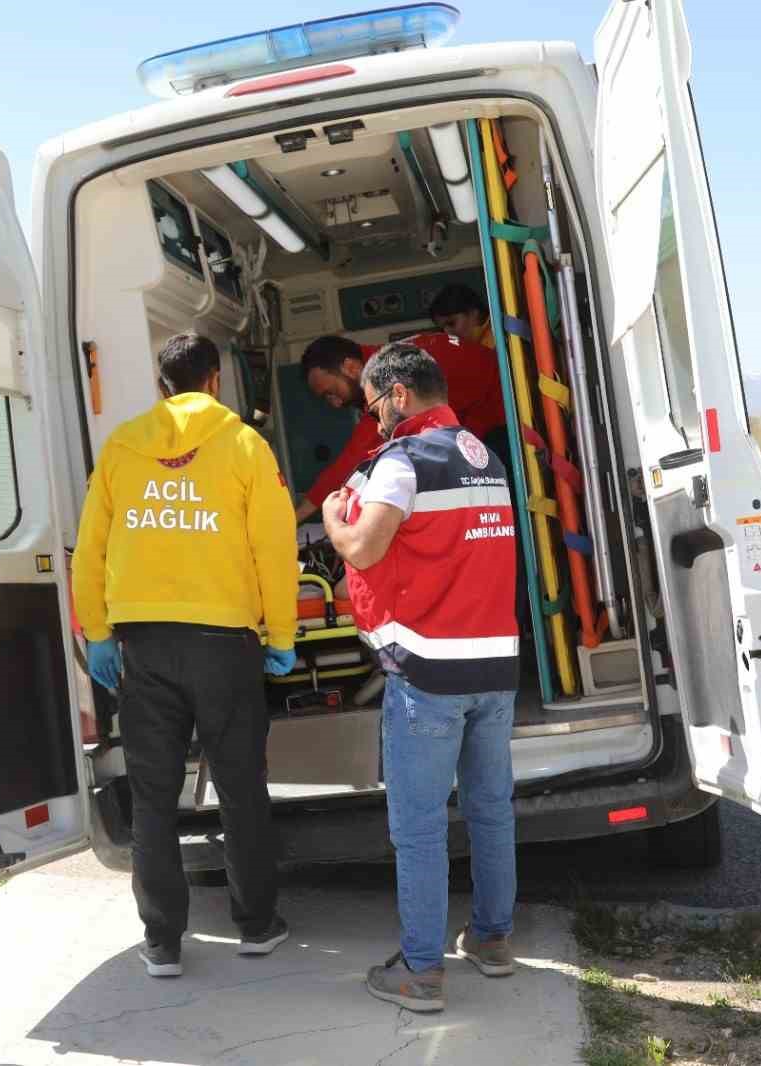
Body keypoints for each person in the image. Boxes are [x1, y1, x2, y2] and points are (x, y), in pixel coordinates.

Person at [72, 332, 299, 979]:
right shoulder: (243, 445)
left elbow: (90, 552)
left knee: (151, 797)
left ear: (161, 382)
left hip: (142, 646)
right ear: (215, 380)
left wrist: (98, 632)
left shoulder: (121, 448)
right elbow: (274, 547)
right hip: (224, 644)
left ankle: (162, 942)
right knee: (239, 790)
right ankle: (256, 926)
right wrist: (279, 635)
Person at [319, 342, 520, 1014]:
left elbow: (367, 546)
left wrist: (331, 521)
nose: (374, 420)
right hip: (496, 668)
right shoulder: (484, 458)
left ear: (399, 396)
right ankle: (492, 941)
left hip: (430, 673)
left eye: (375, 405)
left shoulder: (402, 462)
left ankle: (421, 972)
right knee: (491, 812)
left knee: (420, 826)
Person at [294, 285, 505, 523]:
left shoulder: (391, 376)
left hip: (507, 427)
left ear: (351, 368)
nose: (334, 403)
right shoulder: (396, 359)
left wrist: (297, 516)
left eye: (331, 392)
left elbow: (354, 457)